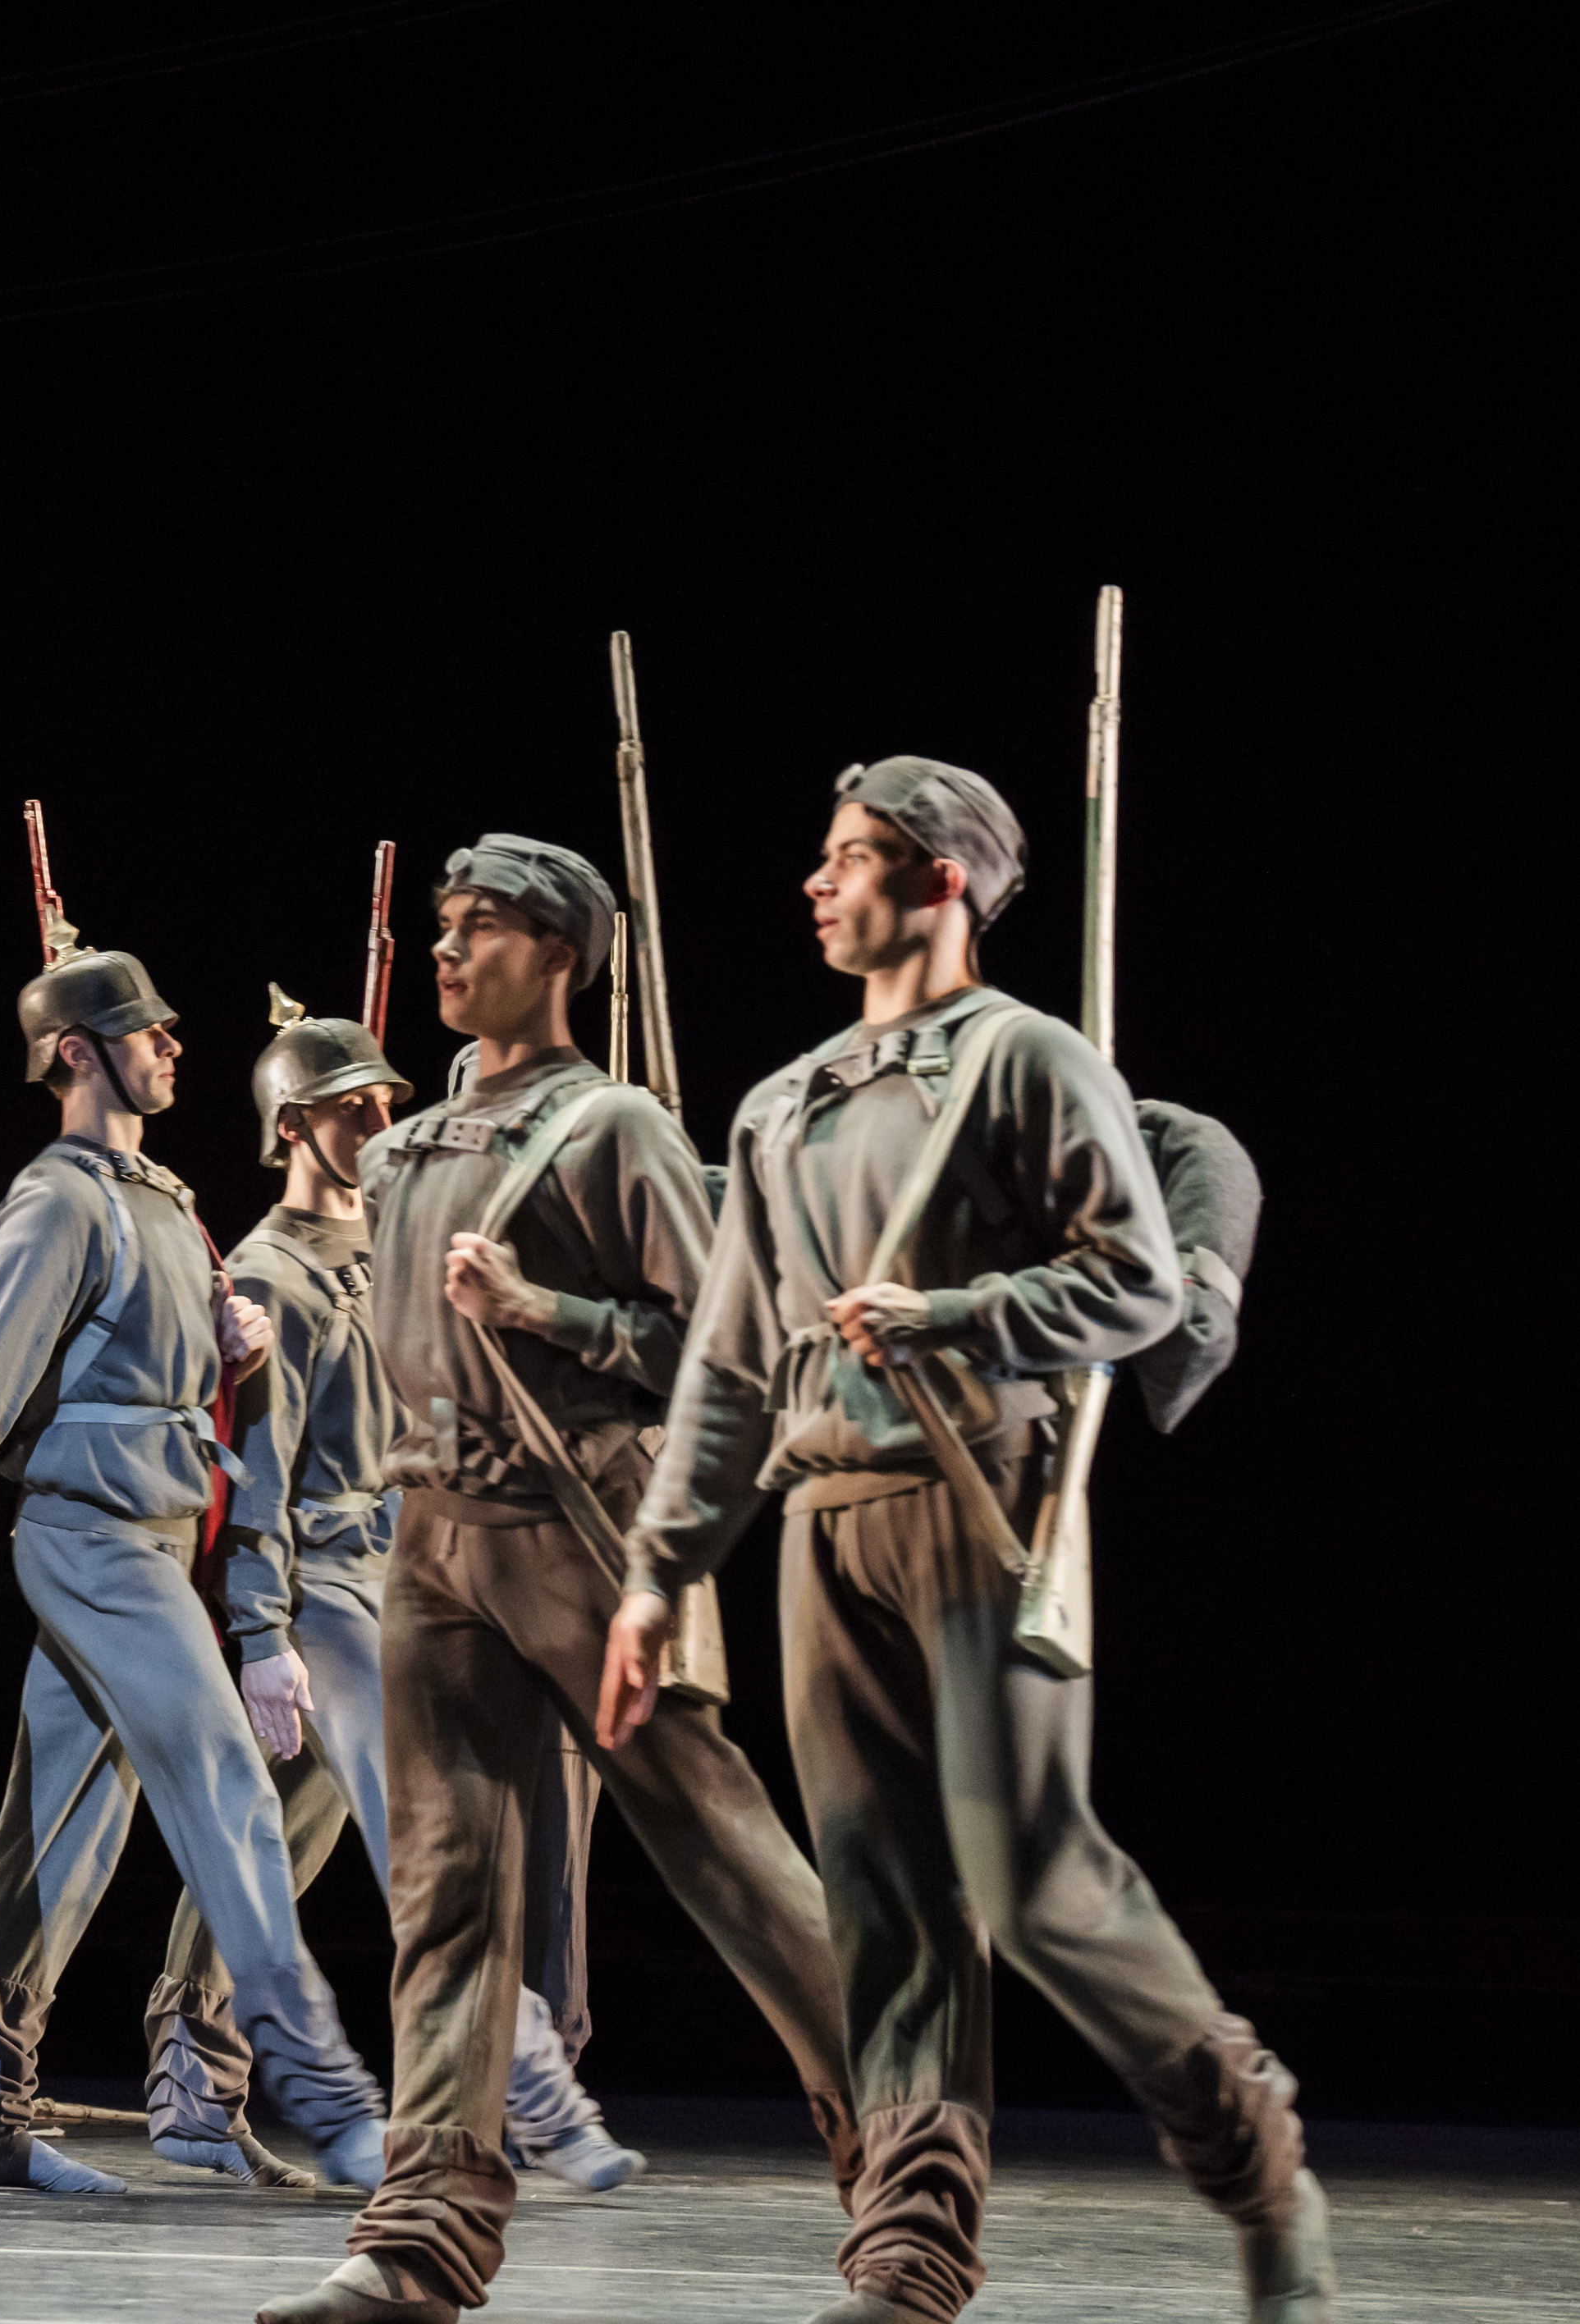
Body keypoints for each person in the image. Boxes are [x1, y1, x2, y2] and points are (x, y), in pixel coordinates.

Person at [598, 762, 1333, 2324]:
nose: (816, 882)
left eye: (852, 858)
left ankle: (1253, 2154)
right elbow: (727, 1368)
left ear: (942, 883)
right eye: (822, 856)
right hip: (818, 1522)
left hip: (975, 1503)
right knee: (880, 1910)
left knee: (1034, 1879)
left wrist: (959, 1313)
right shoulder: (778, 1102)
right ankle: (909, 2254)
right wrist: (658, 1572)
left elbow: (1139, 1281)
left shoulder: (1024, 1062)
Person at [259, 838, 859, 2324]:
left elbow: (729, 1352)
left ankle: (911, 2146)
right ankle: (420, 2241)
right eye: (445, 928)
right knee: (444, 1901)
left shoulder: (615, 1131)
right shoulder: (402, 1150)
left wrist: (547, 1309)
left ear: (561, 955)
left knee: (726, 1858)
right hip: (431, 1541)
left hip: (574, 1533)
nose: (449, 953)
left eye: (481, 930)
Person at [0, 936, 390, 2198]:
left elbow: (178, 1391)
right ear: (77, 1052)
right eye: (147, 1031)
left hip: (162, 1537)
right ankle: (320, 2081)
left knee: (60, 1827)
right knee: (226, 1774)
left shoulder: (166, 1202)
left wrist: (227, 1349)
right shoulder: (60, 1198)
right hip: (92, 1538)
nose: (174, 1046)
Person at [146, 995, 628, 2196]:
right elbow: (255, 1474)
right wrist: (259, 1632)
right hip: (328, 1591)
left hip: (424, 1574)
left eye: (386, 1100)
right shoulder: (272, 1274)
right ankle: (522, 2090)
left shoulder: (403, 1245)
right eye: (352, 1104)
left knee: (274, 1840)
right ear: (294, 1125)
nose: (381, 1116)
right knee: (427, 1837)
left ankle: (193, 2074)